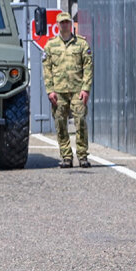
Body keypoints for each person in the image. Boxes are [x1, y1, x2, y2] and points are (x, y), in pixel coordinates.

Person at [43, 12, 93, 168]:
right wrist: (49, 90)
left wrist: (86, 88)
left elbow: (88, 67)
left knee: (80, 122)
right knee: (60, 123)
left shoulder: (82, 44)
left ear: (71, 24)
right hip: (58, 92)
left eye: (67, 22)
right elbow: (47, 69)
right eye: (61, 22)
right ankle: (66, 156)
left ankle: (83, 156)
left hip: (77, 90)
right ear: (57, 25)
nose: (64, 25)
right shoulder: (50, 45)